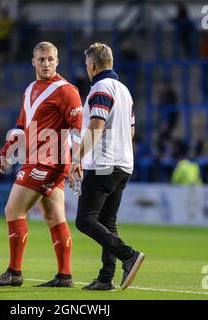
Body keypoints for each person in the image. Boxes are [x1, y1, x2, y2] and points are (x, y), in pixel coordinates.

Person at [0, 42, 83, 288]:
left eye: (50, 59)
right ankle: (64, 276)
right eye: (41, 59)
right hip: (36, 159)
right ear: (33, 62)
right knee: (53, 216)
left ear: (57, 61)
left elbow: (79, 129)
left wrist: (77, 161)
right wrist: (6, 152)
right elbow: (21, 126)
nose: (46, 63)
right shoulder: (29, 90)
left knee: (13, 210)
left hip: (48, 162)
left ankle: (14, 273)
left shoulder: (66, 90)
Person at [68, 43, 145, 291]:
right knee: (107, 222)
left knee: (84, 220)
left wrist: (77, 158)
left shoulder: (100, 88)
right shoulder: (124, 91)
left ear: (92, 65)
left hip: (104, 164)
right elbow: (131, 131)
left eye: (87, 65)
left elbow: (97, 126)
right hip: (124, 163)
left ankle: (129, 255)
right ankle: (105, 278)